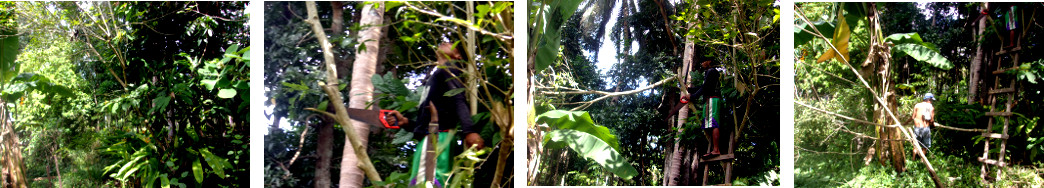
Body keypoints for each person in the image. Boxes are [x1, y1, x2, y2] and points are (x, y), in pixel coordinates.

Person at [383, 42, 485, 186]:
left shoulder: (450, 69)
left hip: (437, 137)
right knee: (421, 181)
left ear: (458, 55)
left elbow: (458, 99)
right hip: (429, 138)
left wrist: (469, 131)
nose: (444, 42)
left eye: (451, 44)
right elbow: (429, 117)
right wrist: (407, 123)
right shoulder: (434, 77)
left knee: (429, 182)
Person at [681, 60, 724, 158]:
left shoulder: (711, 71)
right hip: (710, 100)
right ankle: (714, 149)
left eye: (703, 61)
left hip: (712, 100)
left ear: (709, 61)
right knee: (710, 125)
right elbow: (704, 86)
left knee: (713, 124)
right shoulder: (710, 73)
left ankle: (716, 150)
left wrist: (692, 96)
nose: (701, 63)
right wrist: (690, 90)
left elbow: (705, 88)